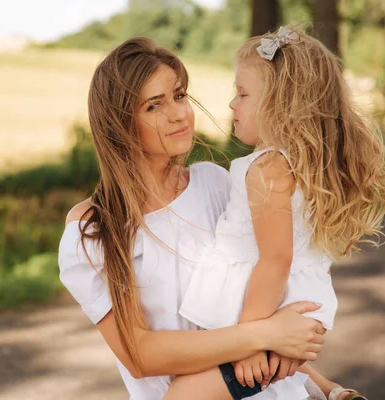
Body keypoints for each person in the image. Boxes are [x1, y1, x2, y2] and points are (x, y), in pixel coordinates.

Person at [58, 36, 349, 400]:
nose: (179, 113)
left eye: (179, 95)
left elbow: (267, 287)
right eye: (154, 106)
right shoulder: (93, 230)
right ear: (119, 124)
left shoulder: (216, 182)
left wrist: (322, 382)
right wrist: (264, 336)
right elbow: (141, 356)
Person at [164, 26, 385, 400]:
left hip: (262, 309)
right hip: (288, 305)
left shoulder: (266, 169)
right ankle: (331, 392)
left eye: (242, 93)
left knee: (182, 394)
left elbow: (275, 260)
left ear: (280, 105)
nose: (231, 104)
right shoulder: (303, 163)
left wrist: (250, 341)